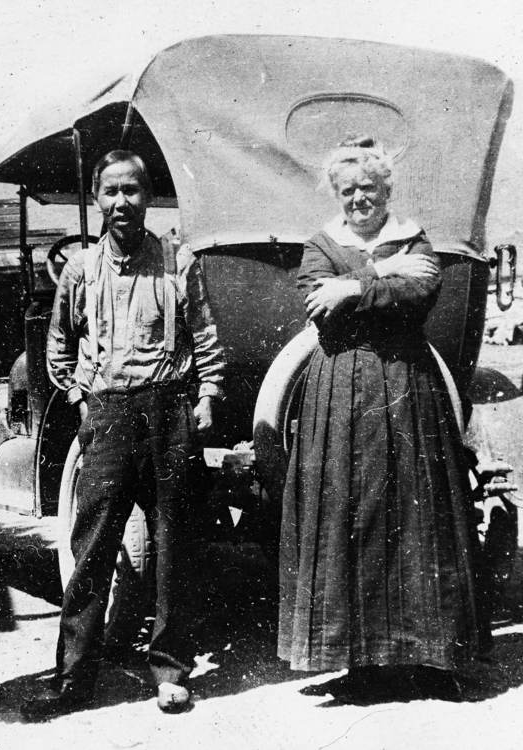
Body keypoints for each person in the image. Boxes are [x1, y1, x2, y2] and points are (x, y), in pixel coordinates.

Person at [278, 136, 488, 701]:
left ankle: (434, 659)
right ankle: (360, 666)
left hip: (407, 391)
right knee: (353, 517)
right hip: (341, 395)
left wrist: (355, 285)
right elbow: (318, 305)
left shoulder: (413, 237)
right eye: (347, 190)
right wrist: (379, 277)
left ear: (386, 189)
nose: (357, 199)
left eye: (367, 188)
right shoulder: (321, 243)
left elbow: (422, 291)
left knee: (421, 516)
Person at [22, 150, 227, 720]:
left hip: (168, 415)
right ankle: (74, 681)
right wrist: (78, 396)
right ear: (96, 199)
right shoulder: (80, 271)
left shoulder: (177, 262)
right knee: (91, 550)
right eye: (110, 192)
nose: (121, 203)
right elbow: (58, 344)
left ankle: (170, 671)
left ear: (146, 196)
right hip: (107, 416)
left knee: (173, 548)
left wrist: (206, 396)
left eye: (132, 191)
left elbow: (205, 334)